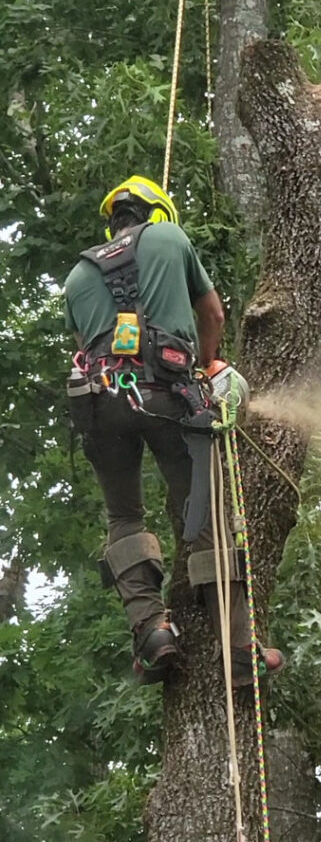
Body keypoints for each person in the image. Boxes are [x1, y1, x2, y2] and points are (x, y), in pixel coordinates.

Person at [64, 175, 283, 685]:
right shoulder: (170, 239)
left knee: (123, 517)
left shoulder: (77, 276)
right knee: (204, 512)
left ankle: (152, 631)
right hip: (168, 395)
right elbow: (213, 314)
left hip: (101, 404)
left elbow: (85, 346)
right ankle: (238, 647)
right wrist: (205, 368)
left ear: (112, 219)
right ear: (158, 212)